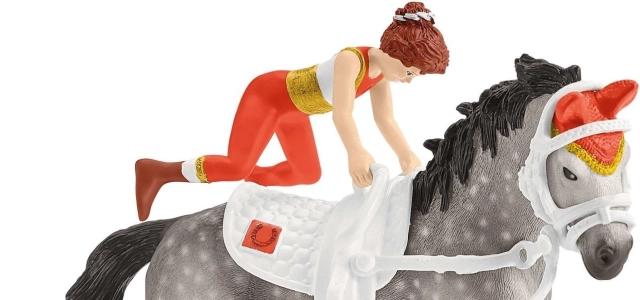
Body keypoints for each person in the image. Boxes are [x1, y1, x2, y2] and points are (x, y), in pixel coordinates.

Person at [135, 3, 449, 221]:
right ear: (394, 52)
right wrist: (355, 151)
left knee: (307, 173)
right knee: (235, 165)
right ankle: (159, 172)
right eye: (410, 72)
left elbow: (385, 119)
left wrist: (406, 155)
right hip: (267, 96)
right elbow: (342, 114)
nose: (409, 80)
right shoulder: (351, 60)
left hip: (296, 113)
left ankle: (249, 185)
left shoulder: (380, 77)